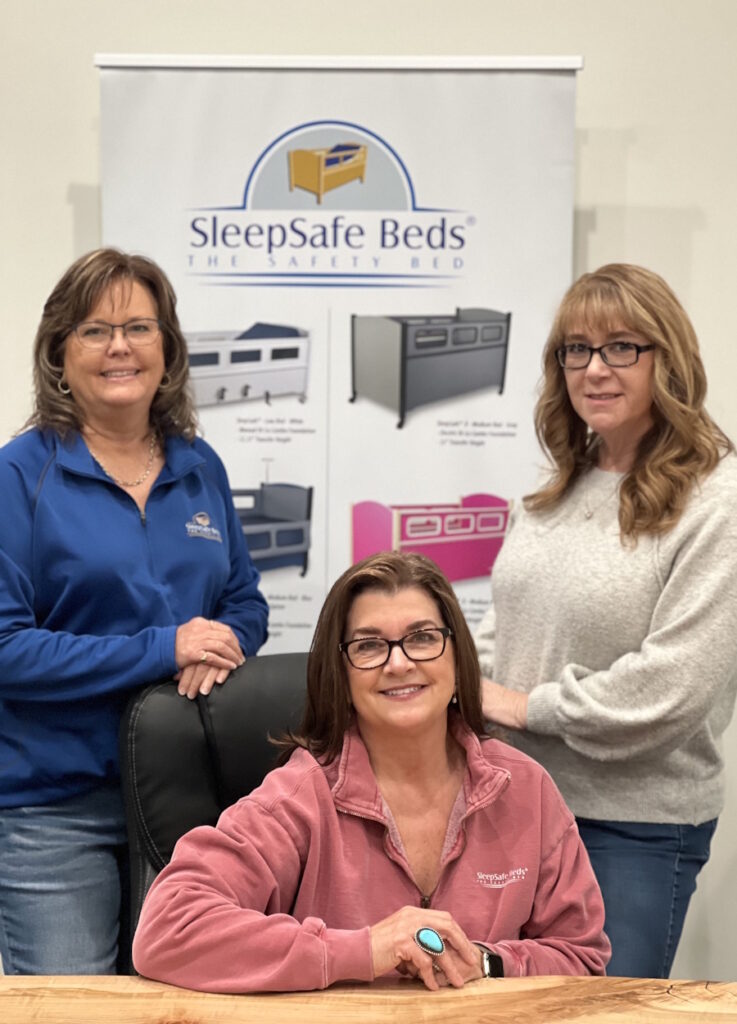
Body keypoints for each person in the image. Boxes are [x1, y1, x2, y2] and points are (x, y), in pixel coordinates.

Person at [132, 551, 609, 992]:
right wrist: (366, 949)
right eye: (368, 646)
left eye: (423, 638)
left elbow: (582, 958)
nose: (399, 663)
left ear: (457, 657)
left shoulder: (525, 788)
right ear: (340, 674)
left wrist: (487, 963)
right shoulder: (303, 792)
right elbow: (168, 928)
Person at [0, 248, 269, 976]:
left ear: (168, 349)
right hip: (56, 808)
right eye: (94, 330)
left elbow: (244, 601)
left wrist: (218, 645)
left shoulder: (196, 464)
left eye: (139, 328)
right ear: (59, 352)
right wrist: (163, 648)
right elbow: (6, 649)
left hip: (193, 794)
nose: (119, 346)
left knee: (188, 1003)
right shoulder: (19, 475)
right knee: (70, 1013)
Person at [474, 263, 737, 978]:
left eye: (622, 346)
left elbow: (672, 689)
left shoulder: (717, 500)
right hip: (515, 805)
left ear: (668, 359)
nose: (594, 368)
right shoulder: (561, 488)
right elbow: (510, 627)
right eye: (575, 349)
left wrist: (524, 707)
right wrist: (455, 678)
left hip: (631, 827)